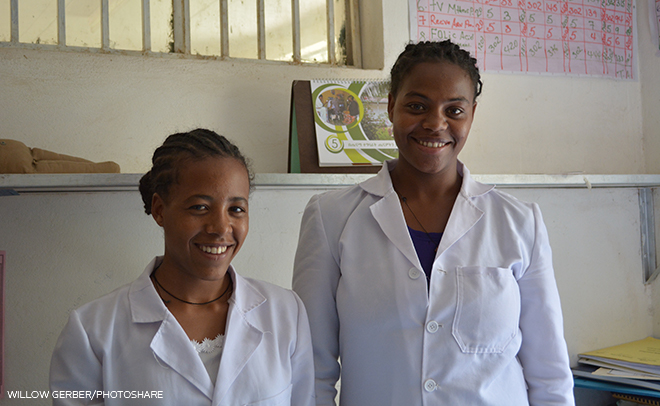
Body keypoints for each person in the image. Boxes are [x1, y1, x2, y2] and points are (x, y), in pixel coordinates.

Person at [292, 41, 574, 405]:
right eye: (417, 106)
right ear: (391, 106)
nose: (435, 124)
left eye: (454, 110)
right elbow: (311, 368)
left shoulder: (519, 223)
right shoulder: (331, 218)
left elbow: (549, 372)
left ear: (472, 114)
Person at [50, 129, 315, 405]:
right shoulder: (93, 330)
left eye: (236, 209)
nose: (221, 228)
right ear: (160, 210)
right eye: (200, 207)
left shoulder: (285, 312)